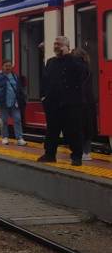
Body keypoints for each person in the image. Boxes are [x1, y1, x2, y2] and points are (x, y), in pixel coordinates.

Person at [38, 36, 89, 166]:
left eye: (59, 44)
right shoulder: (50, 62)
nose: (56, 46)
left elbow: (84, 74)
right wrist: (43, 97)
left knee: (73, 131)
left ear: (66, 46)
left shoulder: (76, 61)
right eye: (55, 44)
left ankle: (76, 156)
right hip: (53, 104)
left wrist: (68, 55)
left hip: (72, 104)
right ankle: (49, 154)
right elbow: (45, 81)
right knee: (52, 131)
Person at [0, 60, 26, 146]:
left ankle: (19, 138)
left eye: (9, 66)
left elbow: (19, 89)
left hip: (15, 102)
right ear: (2, 66)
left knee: (17, 119)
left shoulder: (15, 76)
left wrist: (23, 98)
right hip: (3, 102)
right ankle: (5, 137)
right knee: (4, 121)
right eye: (6, 66)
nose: (8, 67)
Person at [72, 48, 96, 161]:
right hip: (89, 101)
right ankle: (87, 152)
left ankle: (81, 152)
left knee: (79, 127)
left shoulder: (76, 67)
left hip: (79, 102)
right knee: (88, 127)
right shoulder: (88, 68)